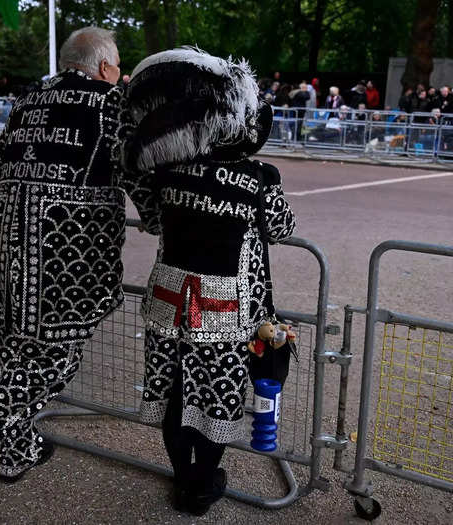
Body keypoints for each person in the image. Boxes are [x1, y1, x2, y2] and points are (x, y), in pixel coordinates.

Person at [0, 26, 124, 499]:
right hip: (65, 248)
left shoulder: (31, 96)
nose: (119, 73)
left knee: (21, 350)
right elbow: (134, 168)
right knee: (56, 358)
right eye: (118, 64)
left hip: (9, 236)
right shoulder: (110, 103)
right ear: (103, 67)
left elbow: (2, 160)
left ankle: (21, 446)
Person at [119, 48, 296, 516]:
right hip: (223, 308)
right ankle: (202, 483)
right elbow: (282, 226)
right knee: (216, 395)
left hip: (167, 301)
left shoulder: (171, 170)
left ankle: (183, 478)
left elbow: (155, 219)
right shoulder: (260, 177)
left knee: (174, 391)